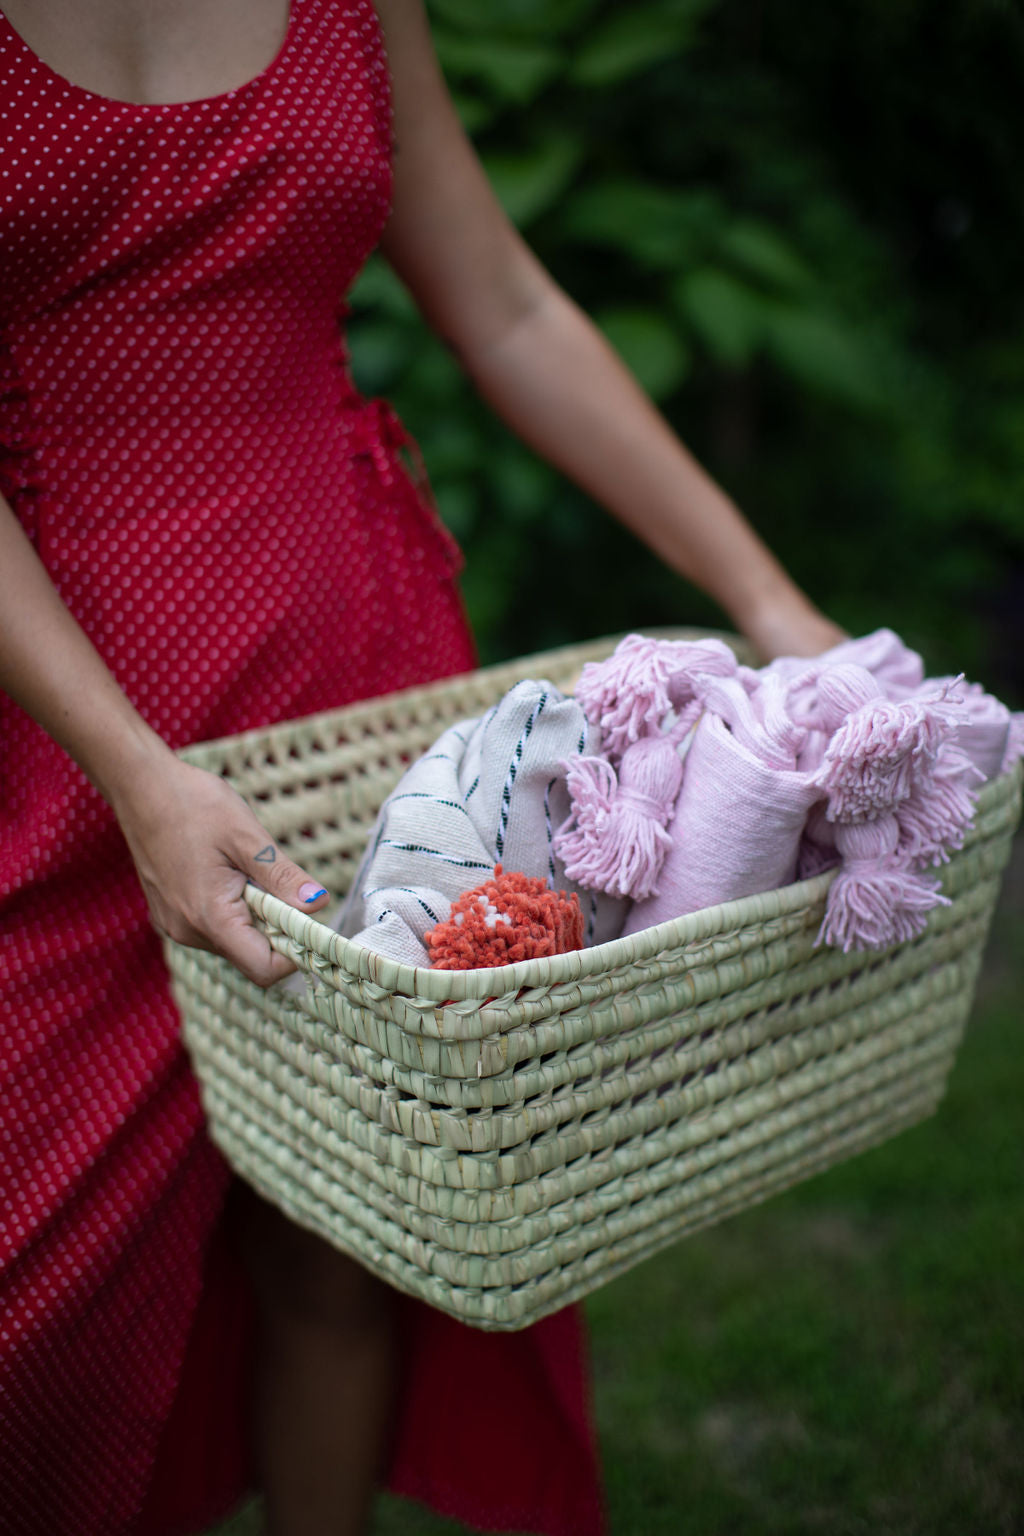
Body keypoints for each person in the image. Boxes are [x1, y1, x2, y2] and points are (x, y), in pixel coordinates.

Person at [0, 2, 844, 1534]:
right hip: (57, 728)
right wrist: (133, 773)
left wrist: (766, 596)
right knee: (35, 1291)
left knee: (347, 1231)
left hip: (360, 686)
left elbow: (508, 307)